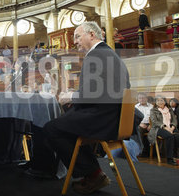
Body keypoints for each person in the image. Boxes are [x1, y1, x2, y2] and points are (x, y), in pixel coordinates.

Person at [43, 21, 130, 194]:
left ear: (92, 34)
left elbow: (92, 94)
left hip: (103, 119)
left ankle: (94, 175)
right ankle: (92, 173)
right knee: (66, 121)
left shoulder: (96, 55)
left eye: (77, 36)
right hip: (116, 118)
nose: (74, 41)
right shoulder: (109, 54)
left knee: (51, 128)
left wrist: (71, 96)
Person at [148, 96, 179, 165]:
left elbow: (174, 120)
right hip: (158, 128)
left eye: (162, 100)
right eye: (158, 101)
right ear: (155, 102)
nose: (160, 102)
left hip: (171, 127)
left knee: (177, 136)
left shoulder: (169, 109)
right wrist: (165, 127)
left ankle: (176, 156)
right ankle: (170, 159)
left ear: (165, 102)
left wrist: (172, 127)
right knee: (170, 136)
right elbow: (154, 121)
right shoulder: (153, 110)